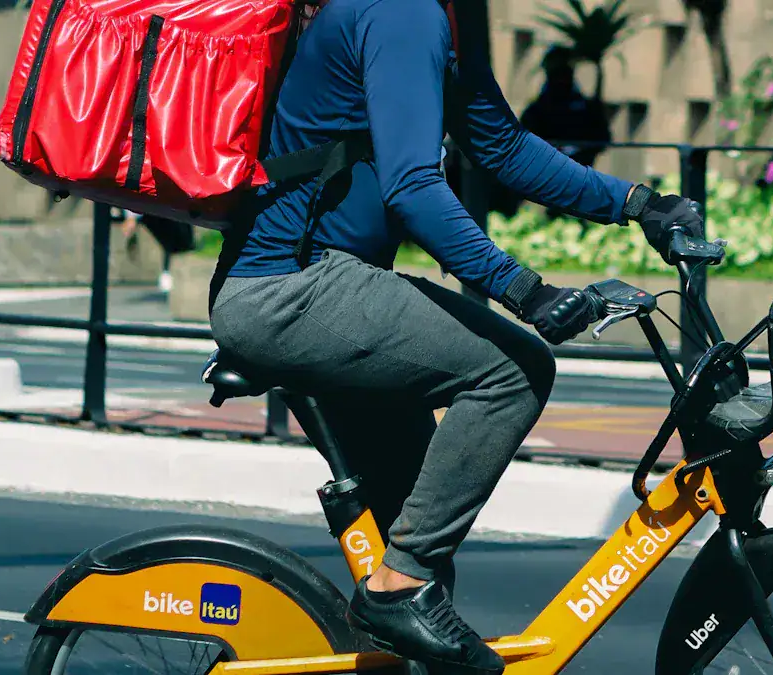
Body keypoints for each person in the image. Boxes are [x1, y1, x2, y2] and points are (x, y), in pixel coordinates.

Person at [207, 1, 701, 673]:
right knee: (512, 370)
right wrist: (525, 291)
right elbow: (413, 184)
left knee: (417, 546)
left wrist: (638, 203)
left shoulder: (445, 13)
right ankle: (399, 585)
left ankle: (402, 585)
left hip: (319, 285)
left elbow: (500, 144)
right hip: (290, 289)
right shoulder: (403, 11)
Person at [520, 45, 612, 169]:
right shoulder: (537, 110)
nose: (560, 78)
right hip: (546, 172)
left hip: (579, 173)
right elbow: (526, 141)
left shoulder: (587, 108)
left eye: (563, 70)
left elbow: (602, 139)